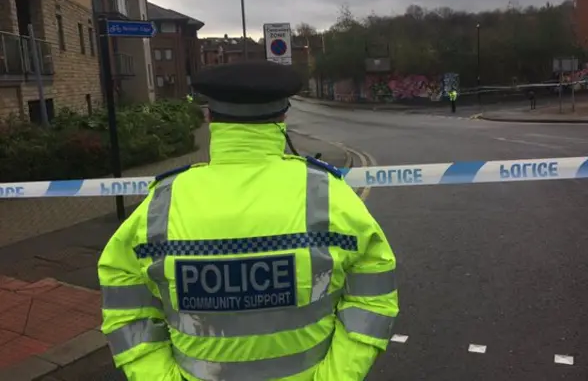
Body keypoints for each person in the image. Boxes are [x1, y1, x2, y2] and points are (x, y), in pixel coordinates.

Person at [98, 61, 399, 381]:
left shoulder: (161, 205)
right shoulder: (329, 196)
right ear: (283, 117)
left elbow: (123, 302)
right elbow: (374, 297)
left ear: (210, 118)